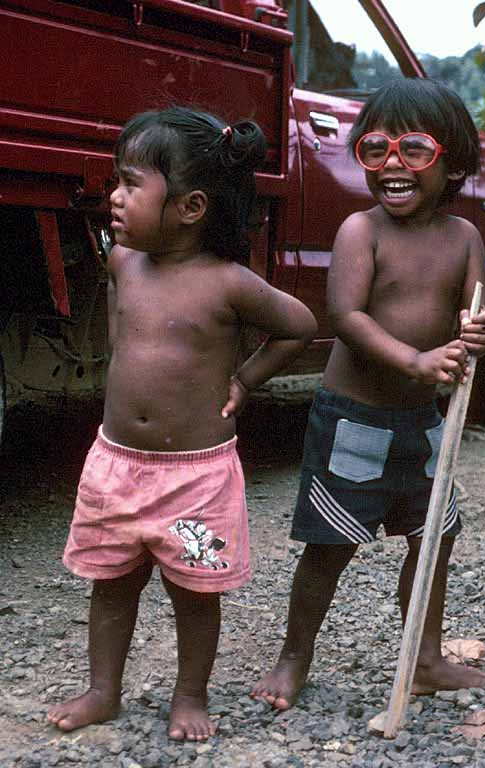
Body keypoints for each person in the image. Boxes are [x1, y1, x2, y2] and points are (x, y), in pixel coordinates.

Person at [47, 107, 318, 739]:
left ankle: (189, 697)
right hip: (116, 463)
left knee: (195, 594)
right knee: (112, 585)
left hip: (194, 477)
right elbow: (126, 337)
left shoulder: (227, 283)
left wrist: (244, 381)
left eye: (130, 183)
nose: (114, 196)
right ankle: (102, 691)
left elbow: (300, 326)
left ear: (191, 207)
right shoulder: (123, 263)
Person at [251, 78, 485, 711]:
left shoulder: (465, 239)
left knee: (435, 533)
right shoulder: (362, 231)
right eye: (376, 148)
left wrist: (480, 331)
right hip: (354, 419)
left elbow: (479, 319)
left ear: (454, 165)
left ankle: (425, 655)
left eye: (414, 150)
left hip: (422, 420)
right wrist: (416, 359)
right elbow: (348, 319)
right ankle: (295, 654)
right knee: (331, 543)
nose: (393, 163)